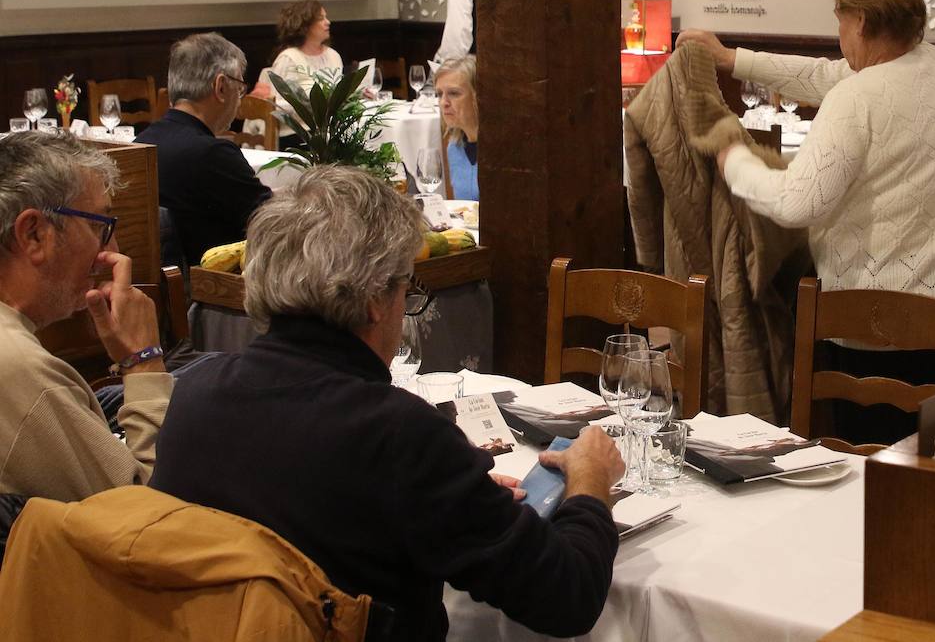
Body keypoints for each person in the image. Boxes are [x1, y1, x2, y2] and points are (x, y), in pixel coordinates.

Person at [150, 165, 623, 642]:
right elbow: (568, 597)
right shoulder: (397, 435)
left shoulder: (193, 396)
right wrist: (590, 479)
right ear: (376, 298)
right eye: (407, 287)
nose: (404, 305)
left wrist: (460, 494)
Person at [680, 0, 935, 397]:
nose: (838, 31)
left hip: (889, 331)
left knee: (869, 467)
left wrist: (732, 157)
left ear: (862, 20)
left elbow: (796, 202)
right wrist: (734, 58)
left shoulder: (859, 98)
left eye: (839, 18)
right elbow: (827, 76)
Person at [0, 131, 170, 502]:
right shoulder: (19, 369)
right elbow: (150, 517)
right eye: (99, 226)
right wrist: (144, 361)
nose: (113, 250)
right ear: (33, 234)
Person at [136, 33, 272, 266]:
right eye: (239, 87)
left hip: (167, 288)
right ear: (220, 87)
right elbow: (273, 222)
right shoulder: (212, 154)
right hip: (215, 291)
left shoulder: (142, 143)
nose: (239, 100)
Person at [257, 0, 344, 110]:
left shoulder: (333, 55)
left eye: (326, 17)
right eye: (321, 18)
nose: (328, 22)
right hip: (297, 126)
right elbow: (277, 104)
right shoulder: (288, 58)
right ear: (305, 25)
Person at [436, 55, 478, 200]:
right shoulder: (454, 147)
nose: (443, 103)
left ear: (477, 96)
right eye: (439, 94)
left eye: (453, 93)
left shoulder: (504, 151)